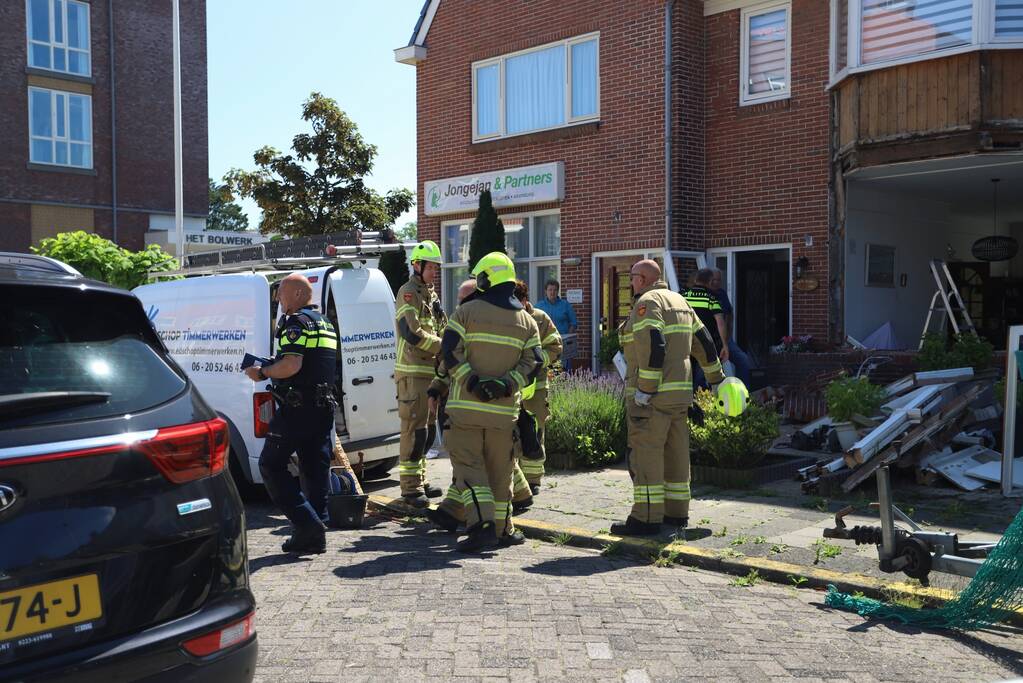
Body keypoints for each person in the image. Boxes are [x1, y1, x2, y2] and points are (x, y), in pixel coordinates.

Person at [432, 252, 542, 552]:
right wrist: (505, 384)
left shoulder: (466, 313)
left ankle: (481, 529)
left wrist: (471, 382)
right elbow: (535, 363)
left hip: (465, 411)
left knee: (471, 470)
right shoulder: (526, 320)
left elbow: (450, 352)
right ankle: (504, 530)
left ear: (484, 278)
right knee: (501, 471)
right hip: (503, 414)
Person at [612, 259, 724, 536]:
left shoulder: (647, 303)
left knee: (645, 455)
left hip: (652, 399)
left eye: (632, 276)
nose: (631, 282)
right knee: (676, 454)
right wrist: (716, 380)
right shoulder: (680, 301)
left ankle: (646, 518)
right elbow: (705, 342)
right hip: (679, 395)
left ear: (643, 278)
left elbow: (653, 345)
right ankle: (676, 514)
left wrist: (645, 391)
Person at [244, 272, 339, 554]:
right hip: (322, 407)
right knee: (313, 466)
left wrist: (262, 371)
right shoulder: (325, 324)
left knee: (270, 465)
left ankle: (307, 524)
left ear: (298, 294)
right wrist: (277, 363)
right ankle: (315, 531)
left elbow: (293, 365)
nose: (277, 298)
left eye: (281, 293)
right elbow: (308, 361)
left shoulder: (296, 322)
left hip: (298, 408)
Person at [393, 240, 447, 507]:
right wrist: (444, 346)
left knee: (425, 432)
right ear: (417, 265)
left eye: (436, 268)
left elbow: (440, 327)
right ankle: (410, 489)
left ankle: (420, 480)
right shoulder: (408, 293)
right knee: (413, 431)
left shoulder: (431, 295)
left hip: (431, 372)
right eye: (430, 267)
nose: (433, 273)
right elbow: (411, 333)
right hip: (413, 372)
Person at [513, 279, 562, 496]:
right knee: (513, 433)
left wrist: (534, 361)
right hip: (513, 386)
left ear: (525, 300)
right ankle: (518, 479)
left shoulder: (540, 318)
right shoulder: (507, 318)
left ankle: (533, 479)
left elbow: (555, 345)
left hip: (536, 387)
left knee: (535, 432)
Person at [682, 268, 728, 390]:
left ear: (696, 279)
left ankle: (690, 405)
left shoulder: (682, 295)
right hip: (706, 344)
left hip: (685, 342)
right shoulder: (711, 299)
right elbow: (721, 323)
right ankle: (702, 404)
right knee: (703, 378)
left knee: (686, 376)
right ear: (709, 282)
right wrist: (725, 345)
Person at [710, 269, 753, 385]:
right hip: (708, 339)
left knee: (743, 361)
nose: (716, 282)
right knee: (706, 370)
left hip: (724, 338)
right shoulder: (704, 294)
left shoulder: (722, 294)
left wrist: (729, 331)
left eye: (718, 280)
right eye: (713, 280)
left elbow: (729, 312)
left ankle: (743, 393)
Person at [535, 279, 577, 370]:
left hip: (562, 343)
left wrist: (567, 338)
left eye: (554, 290)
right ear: (546, 291)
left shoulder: (565, 305)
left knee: (564, 370)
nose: (552, 292)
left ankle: (565, 383)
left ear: (558, 291)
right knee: (549, 369)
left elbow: (573, 323)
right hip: (545, 344)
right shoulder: (538, 306)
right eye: (550, 290)